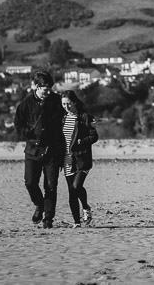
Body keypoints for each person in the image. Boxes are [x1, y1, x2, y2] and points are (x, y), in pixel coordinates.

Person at [14, 71, 64, 229]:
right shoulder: (25, 104)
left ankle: (48, 218)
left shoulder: (57, 101)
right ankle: (39, 205)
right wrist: (27, 132)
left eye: (50, 88)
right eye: (45, 88)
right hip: (32, 150)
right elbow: (18, 124)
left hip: (53, 150)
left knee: (51, 185)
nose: (48, 91)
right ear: (36, 86)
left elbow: (70, 112)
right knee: (30, 182)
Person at [60, 90, 99, 227]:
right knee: (72, 191)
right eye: (63, 104)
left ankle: (86, 208)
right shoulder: (63, 119)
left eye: (68, 104)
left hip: (82, 159)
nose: (66, 107)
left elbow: (94, 136)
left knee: (77, 186)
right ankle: (77, 222)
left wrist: (81, 142)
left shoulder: (85, 117)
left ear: (74, 102)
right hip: (67, 159)